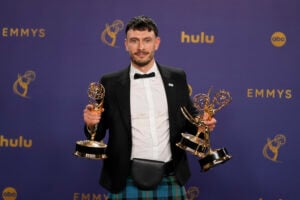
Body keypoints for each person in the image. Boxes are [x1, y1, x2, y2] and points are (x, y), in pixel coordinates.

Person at [83, 15, 217, 199]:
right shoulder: (110, 82)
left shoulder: (177, 78)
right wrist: (91, 124)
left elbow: (190, 121)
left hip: (170, 177)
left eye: (147, 40)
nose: (141, 47)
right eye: (134, 41)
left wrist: (203, 124)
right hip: (125, 179)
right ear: (125, 44)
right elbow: (96, 134)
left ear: (157, 43)